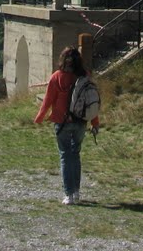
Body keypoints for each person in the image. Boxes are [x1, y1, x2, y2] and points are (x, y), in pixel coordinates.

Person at [34, 46, 100, 205]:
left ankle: (68, 195)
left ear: (63, 60)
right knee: (75, 155)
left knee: (65, 156)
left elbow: (48, 100)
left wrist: (39, 118)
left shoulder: (56, 77)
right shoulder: (85, 76)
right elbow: (91, 101)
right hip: (80, 122)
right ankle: (76, 193)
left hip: (61, 121)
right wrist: (95, 122)